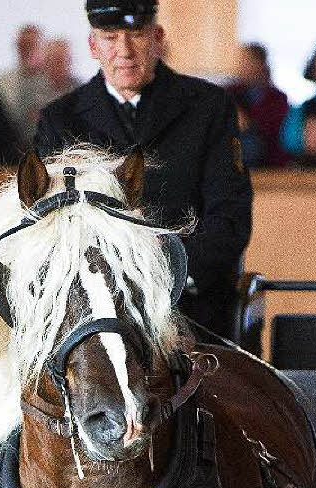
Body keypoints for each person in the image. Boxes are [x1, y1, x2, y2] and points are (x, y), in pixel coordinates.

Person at [35, 0, 252, 342]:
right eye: (110, 37)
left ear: (157, 38)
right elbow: (51, 226)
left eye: (136, 34)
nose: (124, 50)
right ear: (93, 46)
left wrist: (164, 269)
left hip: (188, 307)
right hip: (92, 315)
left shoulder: (209, 107)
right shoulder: (61, 119)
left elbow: (229, 220)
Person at [226, 43, 288, 167]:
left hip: (268, 162)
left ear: (260, 64)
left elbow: (275, 132)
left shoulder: (277, 98)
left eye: (246, 62)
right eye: (241, 62)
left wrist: (247, 124)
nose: (241, 67)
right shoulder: (229, 93)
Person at [0, 25, 55, 147]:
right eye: (23, 46)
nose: (27, 50)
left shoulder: (56, 77)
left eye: (32, 45)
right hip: (13, 145)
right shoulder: (4, 81)